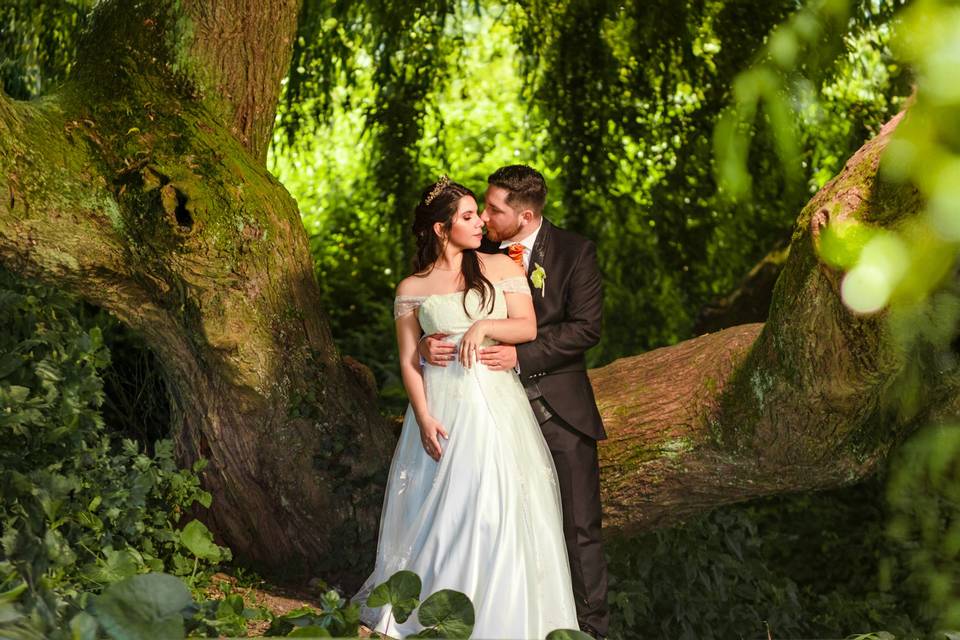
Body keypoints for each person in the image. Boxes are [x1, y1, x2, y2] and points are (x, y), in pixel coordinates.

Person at [352, 176, 579, 639]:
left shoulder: (499, 268)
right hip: (443, 409)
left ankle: (502, 616)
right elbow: (406, 358)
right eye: (469, 216)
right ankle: (435, 612)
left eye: (480, 214)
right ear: (441, 229)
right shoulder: (412, 287)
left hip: (494, 407)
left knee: (495, 503)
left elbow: (528, 328)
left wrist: (484, 328)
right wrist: (423, 415)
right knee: (444, 510)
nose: (481, 224)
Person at [420, 165, 610, 639]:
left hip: (557, 407)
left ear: (525, 216)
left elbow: (586, 328)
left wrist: (520, 355)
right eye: (481, 207)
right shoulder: (472, 249)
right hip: (484, 410)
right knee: (490, 518)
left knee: (577, 526)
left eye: (494, 209)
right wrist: (426, 346)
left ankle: (589, 631)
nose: (484, 216)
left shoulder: (573, 252)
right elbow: (436, 302)